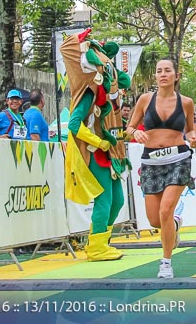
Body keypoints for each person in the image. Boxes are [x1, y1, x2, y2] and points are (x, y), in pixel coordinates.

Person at [61, 30, 133, 262]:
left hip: (111, 154)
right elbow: (73, 124)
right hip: (96, 154)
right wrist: (98, 142)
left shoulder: (112, 98)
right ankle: (96, 248)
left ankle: (102, 241)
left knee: (118, 200)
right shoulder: (89, 95)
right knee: (104, 199)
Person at [125, 58, 196, 279]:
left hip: (178, 159)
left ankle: (166, 262)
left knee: (166, 209)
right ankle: (175, 225)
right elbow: (129, 127)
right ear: (155, 76)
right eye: (159, 71)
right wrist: (135, 132)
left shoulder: (186, 102)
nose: (163, 74)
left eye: (168, 70)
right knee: (155, 220)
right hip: (151, 161)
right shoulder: (145, 100)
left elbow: (190, 130)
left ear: (176, 76)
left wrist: (194, 138)